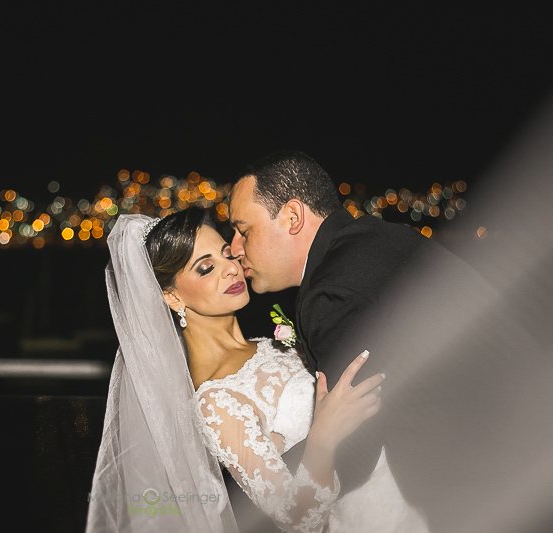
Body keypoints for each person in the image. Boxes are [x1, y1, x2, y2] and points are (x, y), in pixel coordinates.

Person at [228, 150, 551, 532]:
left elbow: (355, 446)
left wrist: (260, 483)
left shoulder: (331, 293)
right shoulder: (378, 237)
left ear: (293, 217)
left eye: (243, 230)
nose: (234, 248)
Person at [86, 208, 412, 533]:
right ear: (172, 296)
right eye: (206, 268)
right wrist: (323, 437)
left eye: (228, 255)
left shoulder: (269, 343)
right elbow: (297, 518)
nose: (231, 269)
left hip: (411, 488)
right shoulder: (215, 400)